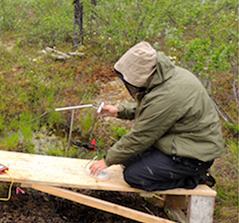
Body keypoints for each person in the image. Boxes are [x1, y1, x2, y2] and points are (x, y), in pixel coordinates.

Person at [89, 41, 224, 191]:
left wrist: (107, 161)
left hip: (193, 156)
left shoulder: (169, 93)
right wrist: (119, 111)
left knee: (134, 176)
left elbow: (140, 136)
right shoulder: (165, 76)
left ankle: (197, 178)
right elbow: (153, 108)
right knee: (126, 159)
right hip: (178, 142)